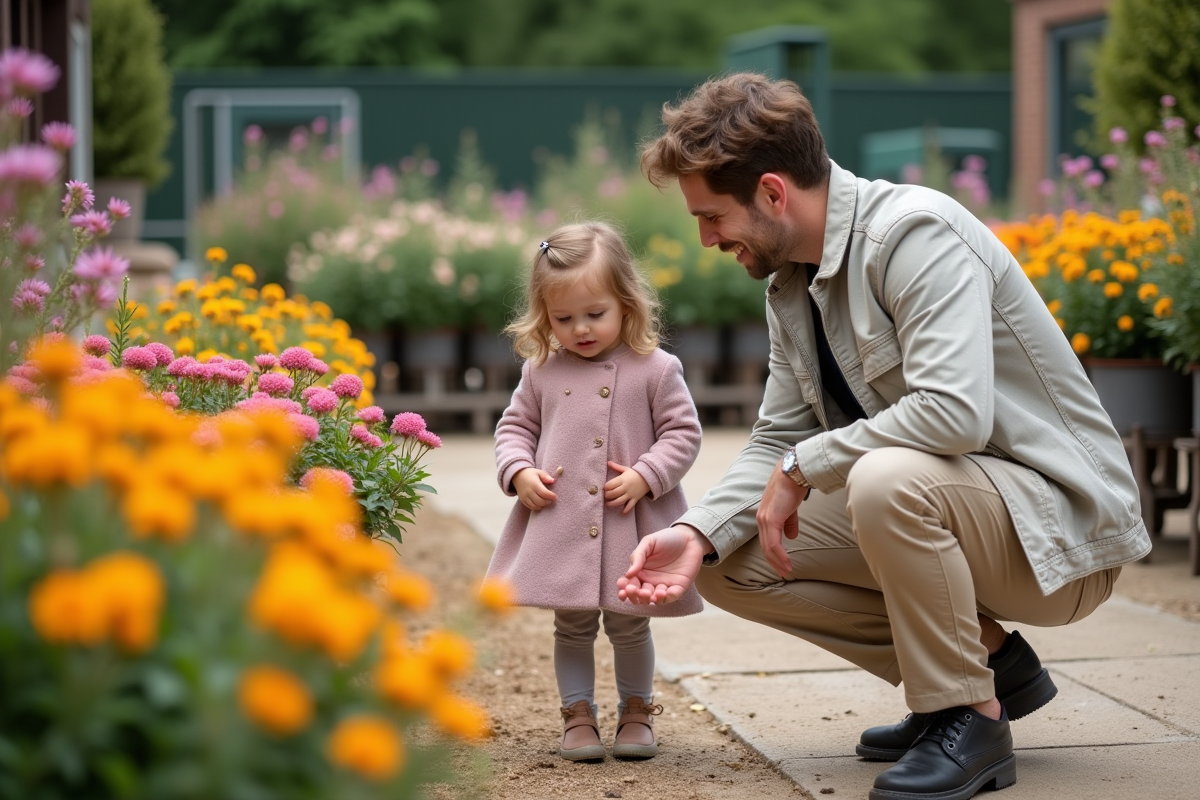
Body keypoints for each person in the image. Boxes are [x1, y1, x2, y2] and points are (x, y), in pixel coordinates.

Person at [617, 73, 1149, 800]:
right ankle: (976, 667)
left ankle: (969, 716)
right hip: (953, 507)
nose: (706, 239)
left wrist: (809, 464)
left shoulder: (913, 234)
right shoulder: (787, 285)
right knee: (724, 559)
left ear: (773, 194)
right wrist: (696, 531)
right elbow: (777, 437)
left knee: (882, 478)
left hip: (1057, 533)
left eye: (712, 217)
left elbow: (953, 413)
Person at [485, 221, 704, 763]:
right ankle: (577, 715)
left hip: (633, 528)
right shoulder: (540, 371)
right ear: (544, 317)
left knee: (630, 626)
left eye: (595, 313)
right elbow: (514, 429)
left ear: (626, 304)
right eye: (563, 318)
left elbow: (683, 433)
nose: (580, 328)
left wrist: (647, 474)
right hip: (562, 525)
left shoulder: (657, 369)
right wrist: (518, 472)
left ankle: (637, 711)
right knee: (572, 626)